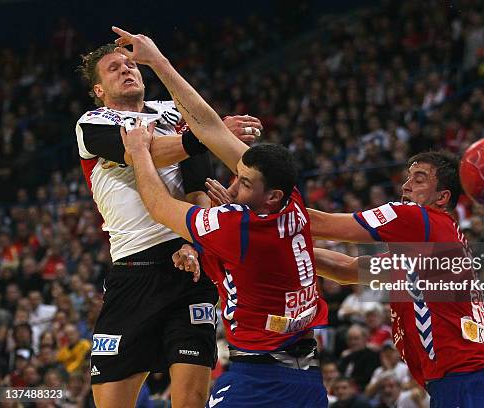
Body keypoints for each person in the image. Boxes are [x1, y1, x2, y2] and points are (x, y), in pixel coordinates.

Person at [112, 26, 328, 407]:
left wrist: (141, 153)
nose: (234, 185)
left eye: (244, 183)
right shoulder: (291, 205)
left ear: (270, 195)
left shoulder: (235, 227)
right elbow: (210, 128)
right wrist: (428, 269)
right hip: (306, 379)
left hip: (260, 380)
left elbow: (160, 207)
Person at [75, 42, 262, 407]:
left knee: (191, 398)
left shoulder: (170, 112)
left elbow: (198, 187)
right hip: (133, 268)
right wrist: (208, 135)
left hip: (187, 264)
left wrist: (194, 242)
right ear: (98, 90)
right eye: (114, 68)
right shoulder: (93, 122)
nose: (127, 70)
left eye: (130, 64)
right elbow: (141, 153)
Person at [308, 151, 484, 406]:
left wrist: (255, 217)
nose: (406, 185)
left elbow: (324, 224)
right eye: (408, 178)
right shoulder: (426, 250)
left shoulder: (419, 218)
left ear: (442, 197)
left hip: (468, 380)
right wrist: (282, 250)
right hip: (462, 381)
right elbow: (346, 269)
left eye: (419, 179)